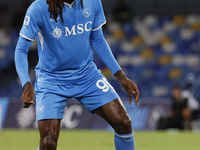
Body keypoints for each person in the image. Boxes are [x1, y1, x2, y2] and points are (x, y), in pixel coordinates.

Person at [14, 0, 140, 150]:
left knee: (124, 122)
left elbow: (98, 39)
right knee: (48, 143)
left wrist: (120, 75)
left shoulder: (92, 2)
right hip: (51, 81)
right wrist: (26, 84)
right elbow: (21, 49)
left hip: (87, 76)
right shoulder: (39, 7)